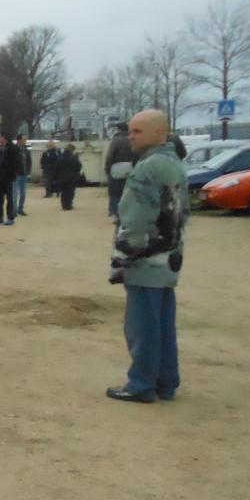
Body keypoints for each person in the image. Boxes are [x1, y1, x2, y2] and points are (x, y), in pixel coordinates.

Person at [106, 109, 189, 403]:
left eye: (138, 131)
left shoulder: (147, 168)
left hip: (146, 258)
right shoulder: (175, 164)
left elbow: (133, 219)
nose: (131, 135)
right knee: (164, 323)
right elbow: (182, 213)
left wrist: (121, 258)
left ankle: (141, 383)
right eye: (131, 130)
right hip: (169, 257)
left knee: (142, 325)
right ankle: (166, 381)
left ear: (159, 133)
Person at [104, 122, 133, 217]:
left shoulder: (116, 140)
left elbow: (110, 156)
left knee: (114, 191)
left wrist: (107, 168)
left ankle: (114, 211)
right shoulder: (132, 139)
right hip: (130, 168)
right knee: (127, 191)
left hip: (116, 168)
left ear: (119, 129)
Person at [0, 130, 19, 224]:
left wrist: (11, 174)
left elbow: (15, 164)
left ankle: (10, 218)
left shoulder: (12, 148)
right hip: (0, 178)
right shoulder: (1, 148)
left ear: (4, 138)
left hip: (9, 178)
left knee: (9, 199)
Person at [56, 143, 82, 210]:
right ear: (72, 150)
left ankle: (64, 205)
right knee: (70, 192)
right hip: (72, 177)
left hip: (62, 177)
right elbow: (78, 167)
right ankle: (69, 205)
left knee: (63, 192)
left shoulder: (60, 157)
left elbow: (57, 167)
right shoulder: (74, 158)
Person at [13, 134, 32, 215]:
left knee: (23, 193)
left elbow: (29, 161)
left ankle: (20, 209)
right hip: (16, 174)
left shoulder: (26, 149)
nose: (25, 141)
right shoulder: (14, 149)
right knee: (15, 193)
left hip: (24, 174)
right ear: (19, 140)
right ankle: (14, 210)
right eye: (24, 139)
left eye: (25, 140)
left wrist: (28, 171)